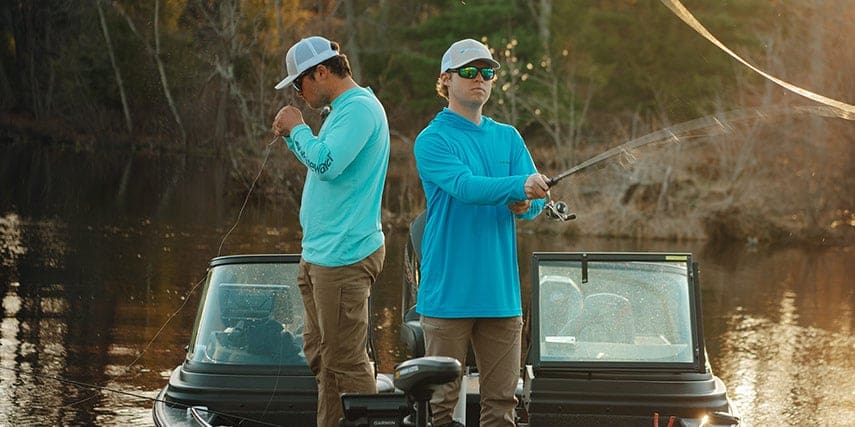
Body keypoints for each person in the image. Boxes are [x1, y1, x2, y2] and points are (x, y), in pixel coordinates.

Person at [413, 38, 549, 427]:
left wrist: (525, 203)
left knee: (502, 406)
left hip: (501, 297)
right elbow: (465, 186)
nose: (480, 78)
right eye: (469, 71)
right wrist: (517, 186)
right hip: (447, 296)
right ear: (446, 79)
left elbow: (535, 203)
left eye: (487, 72)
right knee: (440, 409)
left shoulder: (508, 137)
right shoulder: (432, 140)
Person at [271, 35, 390, 427]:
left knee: (346, 364)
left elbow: (326, 163)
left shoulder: (359, 110)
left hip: (344, 257)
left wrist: (298, 128)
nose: (298, 93)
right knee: (322, 358)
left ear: (321, 72)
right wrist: (294, 136)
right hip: (321, 255)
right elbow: (323, 164)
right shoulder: (343, 110)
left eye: (299, 84)